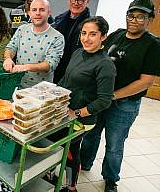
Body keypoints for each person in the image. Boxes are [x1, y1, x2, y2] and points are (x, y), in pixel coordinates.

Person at [80, 0, 160, 192]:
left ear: (150, 19)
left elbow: (146, 81)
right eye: (131, 15)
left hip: (124, 105)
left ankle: (110, 179)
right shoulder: (117, 35)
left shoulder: (152, 44)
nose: (134, 20)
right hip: (101, 98)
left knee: (114, 144)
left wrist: (112, 96)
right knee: (91, 135)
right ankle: (84, 164)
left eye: (140, 17)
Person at [50, 16, 116, 192]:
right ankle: (50, 175)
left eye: (93, 34)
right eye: (84, 33)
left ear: (103, 37)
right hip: (65, 111)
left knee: (70, 150)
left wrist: (77, 113)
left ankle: (71, 187)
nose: (86, 38)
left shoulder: (105, 65)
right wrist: (51, 94)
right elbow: (66, 79)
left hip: (83, 119)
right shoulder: (78, 53)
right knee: (59, 146)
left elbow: (104, 101)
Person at [3, 0, 64, 88]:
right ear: (29, 13)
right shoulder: (21, 29)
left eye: (42, 10)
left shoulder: (57, 37)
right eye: (34, 10)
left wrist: (26, 67)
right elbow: (11, 47)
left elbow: (50, 65)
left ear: (49, 12)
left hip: (41, 90)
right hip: (17, 85)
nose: (38, 13)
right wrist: (8, 58)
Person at [53, 0, 91, 84]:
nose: (76, 3)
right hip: (54, 69)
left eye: (80, 0)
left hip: (74, 73)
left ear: (88, 1)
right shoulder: (59, 20)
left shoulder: (90, 25)